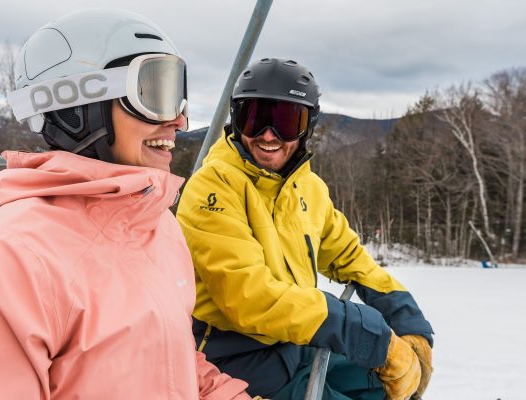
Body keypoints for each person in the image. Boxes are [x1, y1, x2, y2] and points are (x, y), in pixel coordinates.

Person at [0, 9, 253, 399]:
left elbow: (170, 361)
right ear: (75, 106)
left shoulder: (156, 228)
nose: (180, 121)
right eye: (155, 93)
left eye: (176, 94)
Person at [176, 58, 434, 400]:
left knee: (378, 385)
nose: (269, 135)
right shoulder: (212, 188)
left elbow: (349, 257)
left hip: (293, 341)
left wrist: (406, 319)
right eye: (254, 119)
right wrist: (362, 331)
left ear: (307, 126)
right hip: (233, 355)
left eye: (286, 121)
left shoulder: (308, 189)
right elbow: (248, 296)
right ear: (236, 121)